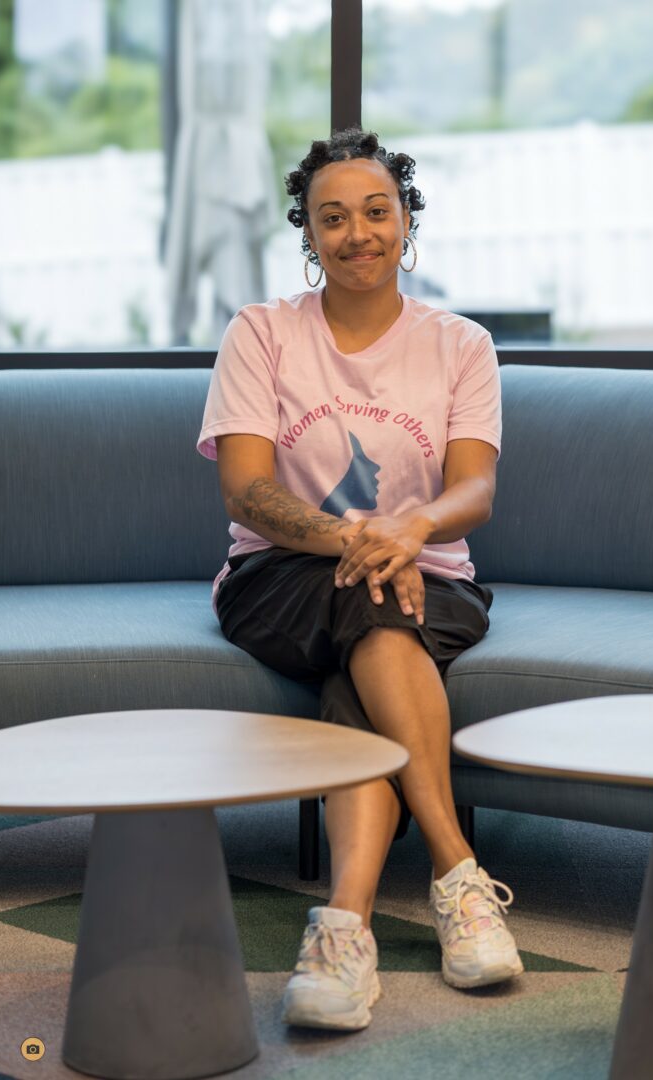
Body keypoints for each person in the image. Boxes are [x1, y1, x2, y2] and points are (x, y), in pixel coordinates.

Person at [196, 126, 523, 1031]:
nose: (357, 233)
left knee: (365, 652)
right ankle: (459, 873)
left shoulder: (460, 344)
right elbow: (247, 489)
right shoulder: (261, 333)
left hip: (430, 573)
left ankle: (344, 928)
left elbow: (475, 489)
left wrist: (410, 527)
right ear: (308, 235)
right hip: (277, 575)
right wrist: (357, 539)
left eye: (377, 211)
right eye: (332, 218)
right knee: (373, 596)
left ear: (405, 219)